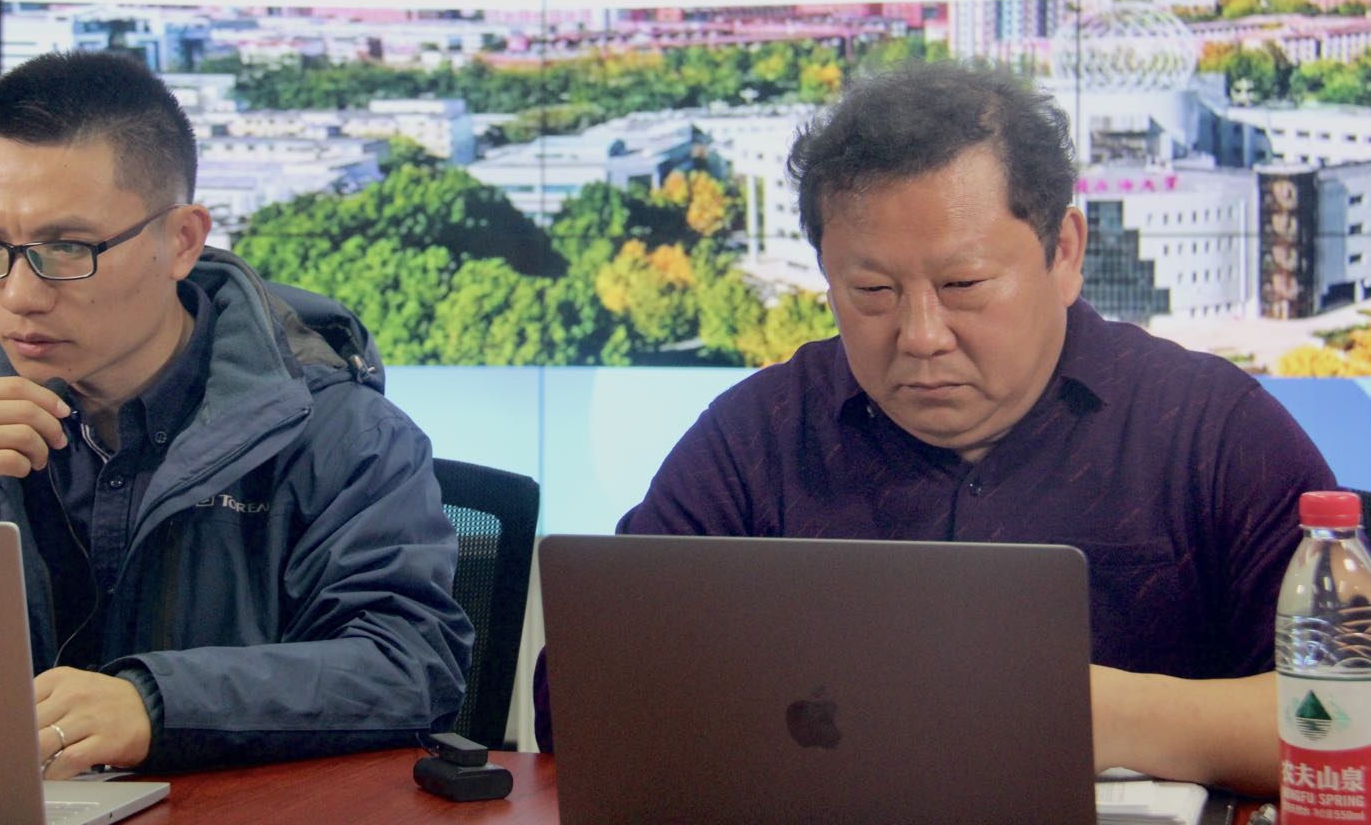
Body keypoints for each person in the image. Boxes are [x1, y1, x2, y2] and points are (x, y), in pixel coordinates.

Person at [533, 61, 1334, 794]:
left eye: (963, 284)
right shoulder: (758, 436)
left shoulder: (1209, 430)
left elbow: (1345, 704)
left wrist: (1101, 715)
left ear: (1063, 252)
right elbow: (576, 699)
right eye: (872, 293)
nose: (920, 336)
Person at [0, 50, 472, 777]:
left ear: (182, 240)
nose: (19, 296)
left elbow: (410, 665)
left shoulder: (338, 432)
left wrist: (155, 705)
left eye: (67, 247)